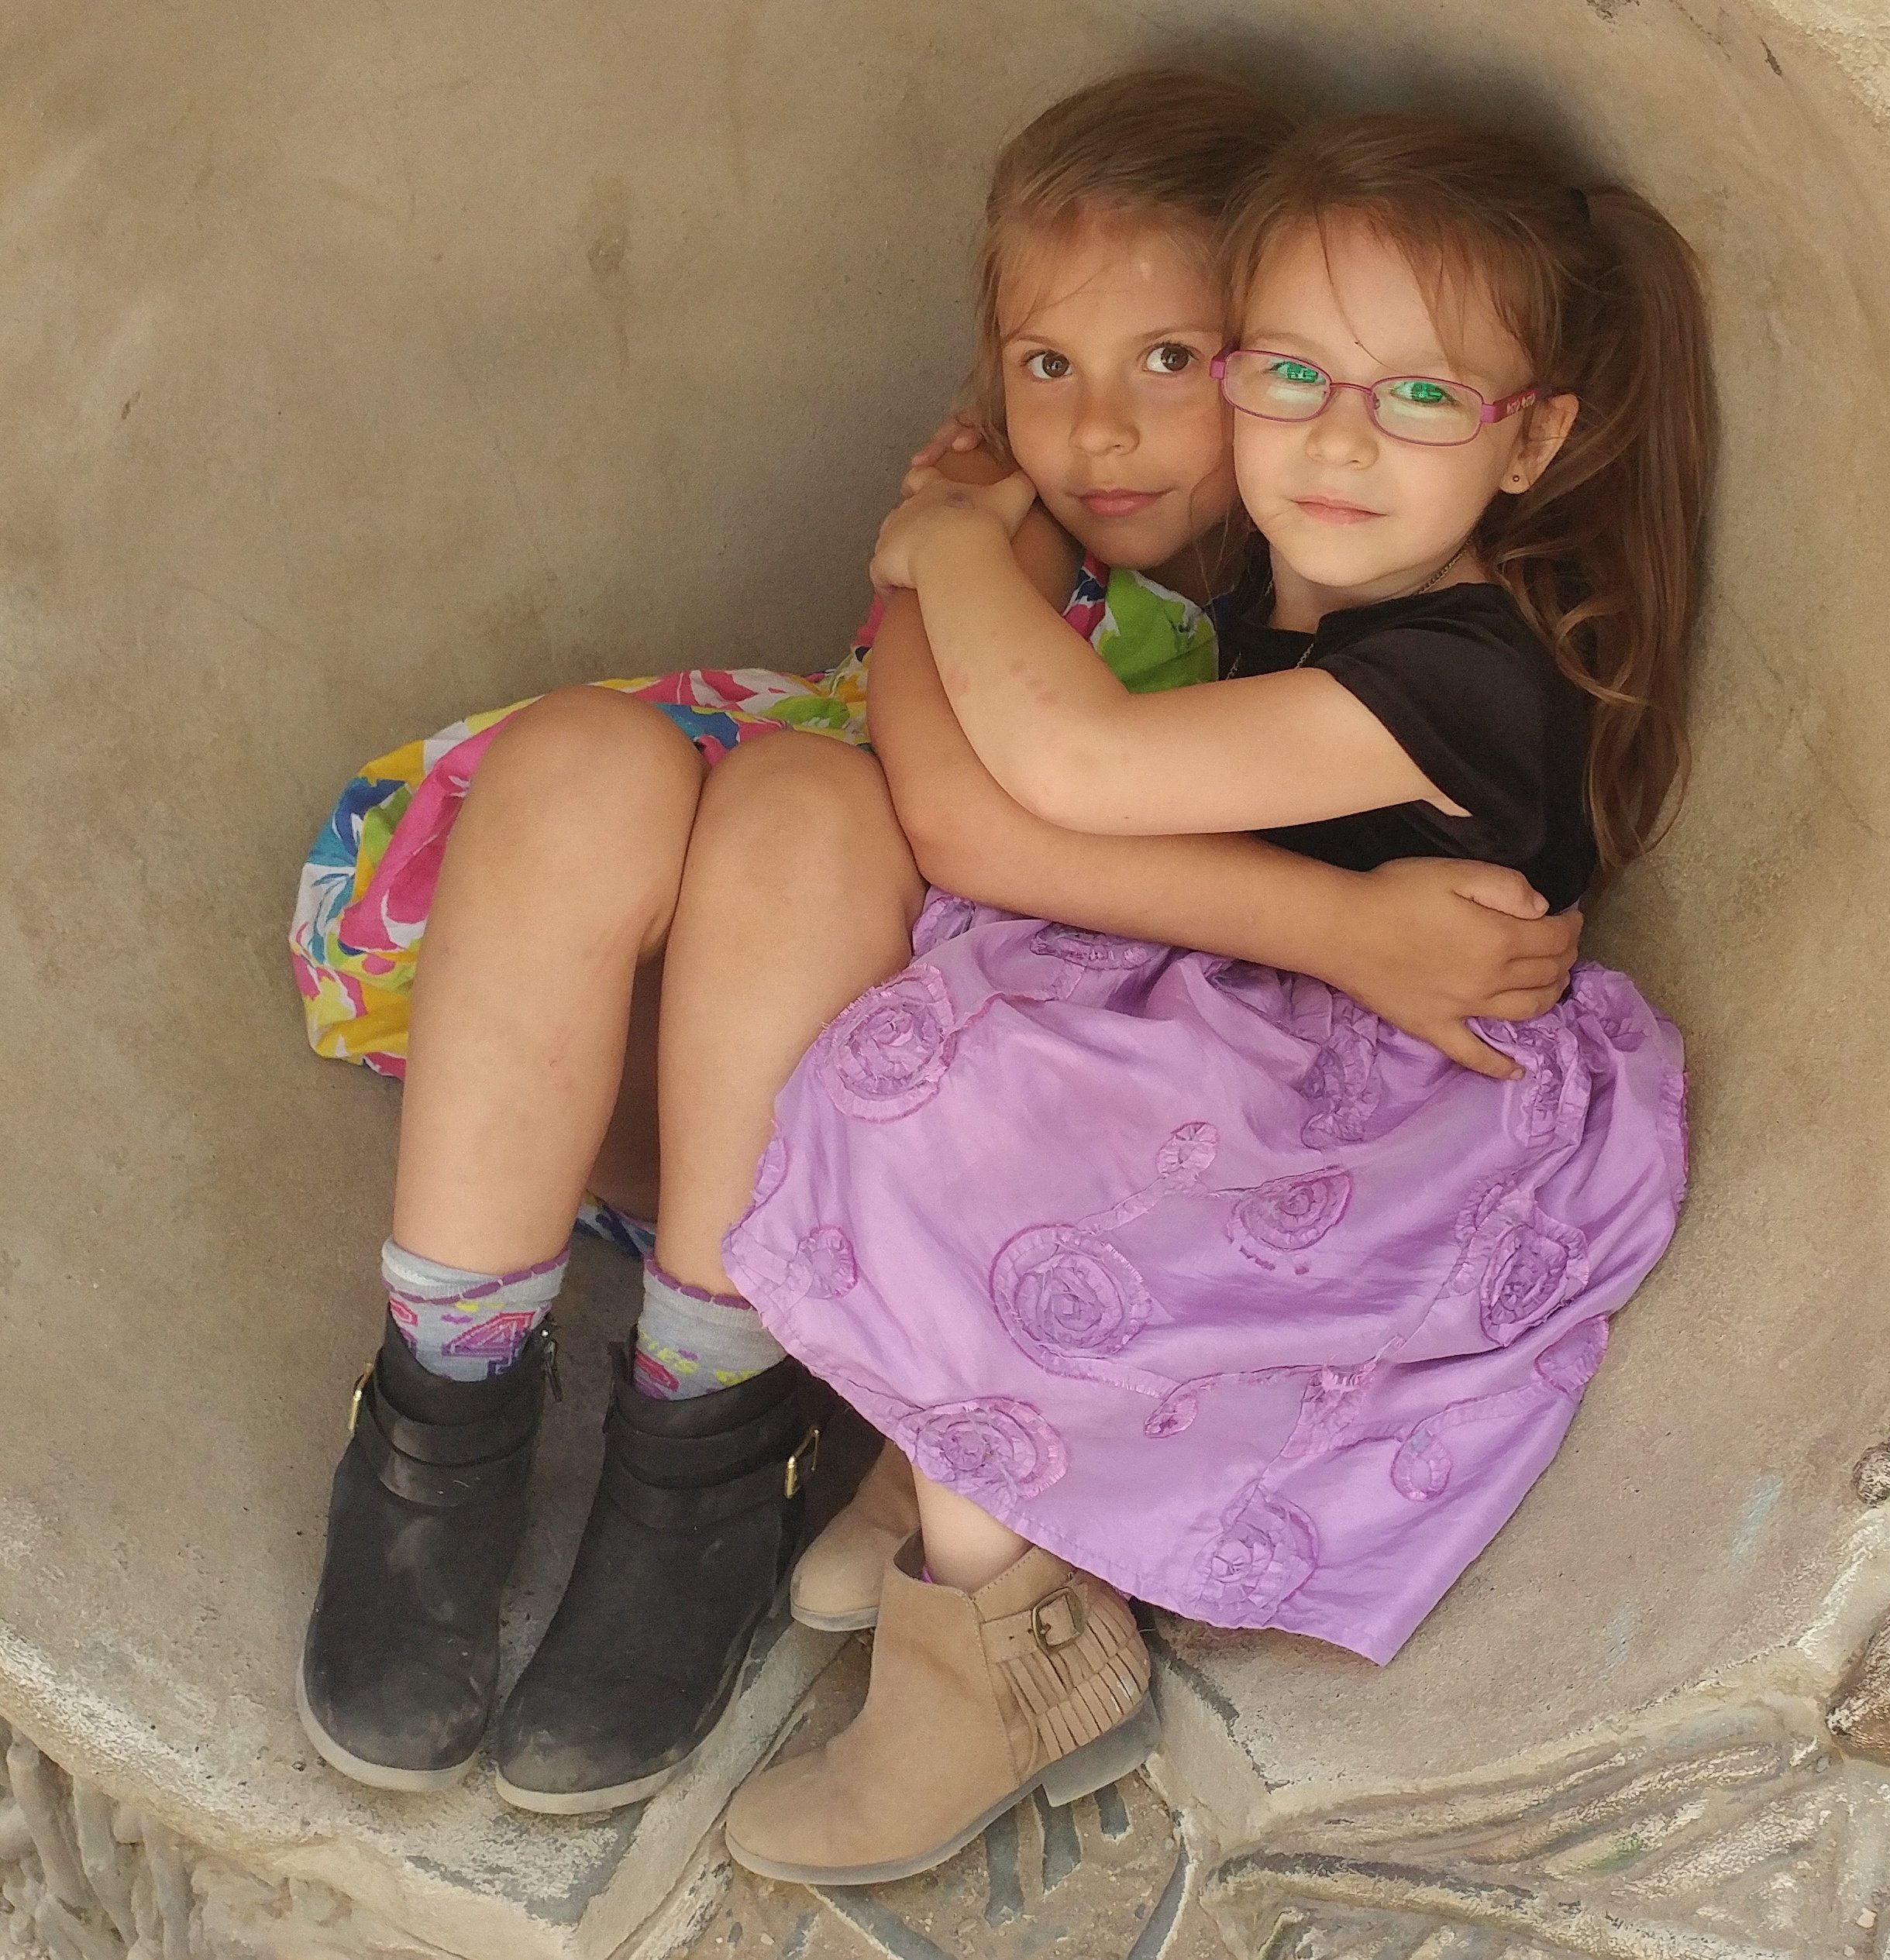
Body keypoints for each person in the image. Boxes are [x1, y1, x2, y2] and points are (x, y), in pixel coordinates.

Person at [289, 70, 1584, 1811]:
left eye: (1172, 360)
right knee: (589, 760)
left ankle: (703, 1441)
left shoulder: (1293, 619)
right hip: (684, 1040)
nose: (1101, 430)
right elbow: (952, 795)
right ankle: (438, 1409)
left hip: (857, 1125)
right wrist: (955, 547)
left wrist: (946, 557)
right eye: (1048, 364)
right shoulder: (1015, 535)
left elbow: (969, 814)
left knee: (805, 807)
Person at [721, 109, 1709, 1886]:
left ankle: (999, 1651)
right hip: (1277, 1042)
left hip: (1399, 1125)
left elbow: (1068, 768)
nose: (1336, 438)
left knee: (960, 1099)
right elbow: (1003, 814)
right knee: (976, 1025)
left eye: (1420, 396)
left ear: (1531, 438)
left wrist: (946, 549)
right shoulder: (1281, 596)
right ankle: (964, 1449)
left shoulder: (1468, 676)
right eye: (1291, 372)